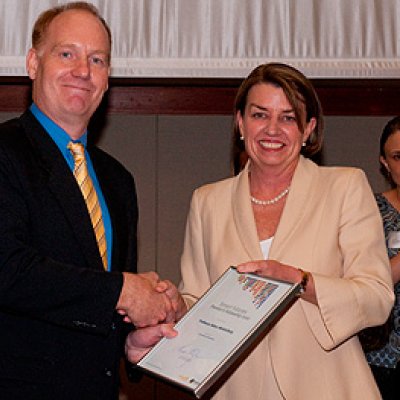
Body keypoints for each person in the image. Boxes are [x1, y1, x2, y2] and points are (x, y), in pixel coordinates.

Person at [125, 62, 395, 399]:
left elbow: (376, 298)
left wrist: (301, 282)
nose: (272, 129)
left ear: (309, 128)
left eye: (288, 117)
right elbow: (200, 299)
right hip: (236, 389)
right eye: (259, 115)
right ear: (240, 122)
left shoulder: (344, 187)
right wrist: (176, 306)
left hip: (326, 385)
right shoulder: (208, 201)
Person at [0, 2, 184, 399]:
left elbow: (97, 311)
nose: (82, 70)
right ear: (33, 63)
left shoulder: (118, 181)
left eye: (97, 59)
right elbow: (7, 269)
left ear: (107, 78)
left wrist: (132, 345)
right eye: (67, 53)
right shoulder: (4, 153)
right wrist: (123, 290)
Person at [362, 116, 400, 399]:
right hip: (384, 359)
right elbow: (360, 285)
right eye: (399, 157)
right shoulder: (368, 210)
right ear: (385, 164)